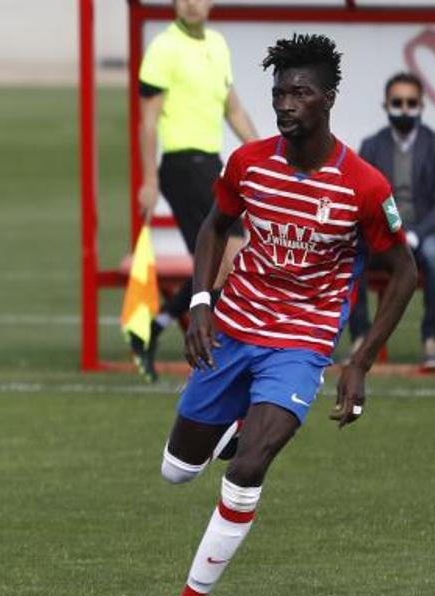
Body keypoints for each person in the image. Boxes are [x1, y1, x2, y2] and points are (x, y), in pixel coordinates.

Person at [153, 34, 418, 596]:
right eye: (279, 92)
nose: (286, 103)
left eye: (300, 92)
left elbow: (405, 273)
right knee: (175, 471)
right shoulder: (247, 163)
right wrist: (200, 304)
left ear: (328, 98)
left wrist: (360, 361)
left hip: (300, 345)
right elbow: (214, 226)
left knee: (252, 464)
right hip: (234, 330)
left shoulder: (364, 186)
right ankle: (224, 427)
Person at [132, 0, 258, 382]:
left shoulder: (218, 44)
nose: (191, 4)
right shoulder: (163, 48)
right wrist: (149, 180)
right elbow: (148, 123)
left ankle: (154, 326)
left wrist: (267, 155)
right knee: (226, 257)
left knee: (223, 261)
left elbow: (233, 110)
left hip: (210, 163)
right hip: (181, 164)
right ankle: (213, 349)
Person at [347, 72, 435, 371]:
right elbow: (361, 198)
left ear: (421, 105)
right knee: (349, 251)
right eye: (398, 102)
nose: (405, 108)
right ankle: (360, 338)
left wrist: (416, 234)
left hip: (428, 234)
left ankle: (432, 340)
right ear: (385, 105)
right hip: (383, 234)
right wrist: (394, 230)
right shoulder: (371, 146)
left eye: (411, 102)